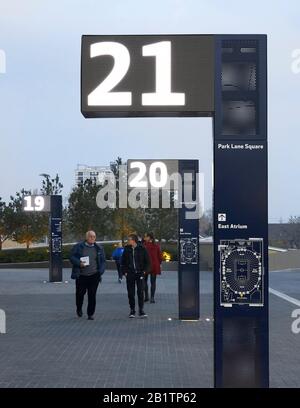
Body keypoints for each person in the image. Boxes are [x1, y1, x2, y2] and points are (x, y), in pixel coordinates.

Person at [70, 231, 105, 320]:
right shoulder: (79, 246)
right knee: (80, 294)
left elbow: (103, 261)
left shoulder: (99, 248)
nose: (92, 238)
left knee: (92, 295)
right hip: (81, 275)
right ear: (86, 237)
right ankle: (79, 308)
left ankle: (90, 314)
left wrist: (100, 271)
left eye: (94, 236)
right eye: (90, 236)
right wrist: (79, 263)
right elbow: (72, 257)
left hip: (94, 276)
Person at [121, 233, 151, 318]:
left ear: (133, 240)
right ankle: (132, 310)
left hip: (140, 274)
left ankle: (141, 310)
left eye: (129, 239)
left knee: (140, 292)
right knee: (131, 293)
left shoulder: (142, 248)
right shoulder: (126, 249)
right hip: (130, 274)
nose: (128, 241)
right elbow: (122, 262)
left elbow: (148, 262)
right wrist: (125, 272)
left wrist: (145, 272)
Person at [143, 232, 162, 303]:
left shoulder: (144, 246)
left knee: (144, 281)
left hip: (146, 266)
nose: (144, 238)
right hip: (154, 266)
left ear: (149, 237)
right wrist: (159, 263)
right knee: (153, 282)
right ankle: (152, 298)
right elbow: (160, 257)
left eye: (145, 237)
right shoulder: (156, 246)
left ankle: (146, 297)